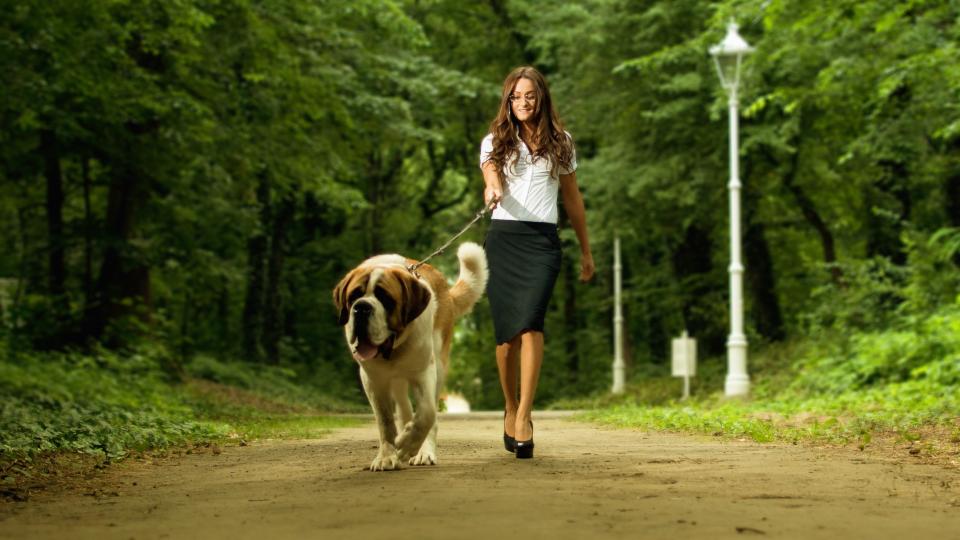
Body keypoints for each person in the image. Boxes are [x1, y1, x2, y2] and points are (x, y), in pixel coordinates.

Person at [479, 66, 594, 459]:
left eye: (529, 96)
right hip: (504, 240)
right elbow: (490, 175)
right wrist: (493, 189)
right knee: (506, 338)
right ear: (507, 101)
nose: (522, 103)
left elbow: (573, 201)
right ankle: (509, 407)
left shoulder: (562, 142)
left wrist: (586, 250)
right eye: (515, 96)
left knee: (531, 323)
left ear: (541, 98)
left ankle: (525, 414)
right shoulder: (494, 140)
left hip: (542, 243)